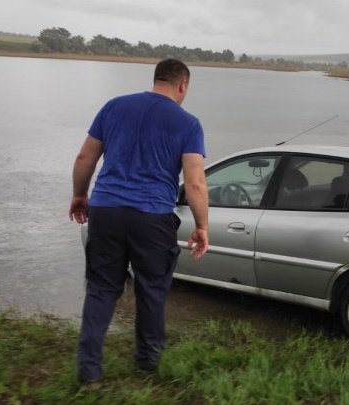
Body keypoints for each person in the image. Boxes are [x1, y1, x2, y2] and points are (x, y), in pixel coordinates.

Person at [68, 58, 210, 385]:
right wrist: (202, 226)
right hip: (152, 217)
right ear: (183, 85)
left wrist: (79, 194)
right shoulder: (188, 123)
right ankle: (147, 363)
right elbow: (195, 183)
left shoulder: (114, 107)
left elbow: (84, 157)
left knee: (102, 288)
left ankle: (88, 370)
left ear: (156, 78)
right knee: (151, 289)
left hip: (105, 210)